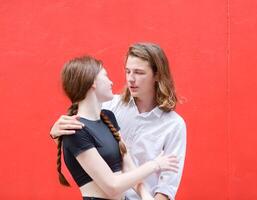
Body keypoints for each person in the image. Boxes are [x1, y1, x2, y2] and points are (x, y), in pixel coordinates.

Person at [51, 43, 187, 200]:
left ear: (157, 75)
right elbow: (79, 143)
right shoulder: (108, 106)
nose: (131, 79)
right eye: (128, 71)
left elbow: (167, 183)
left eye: (139, 72)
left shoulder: (174, 125)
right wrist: (56, 132)